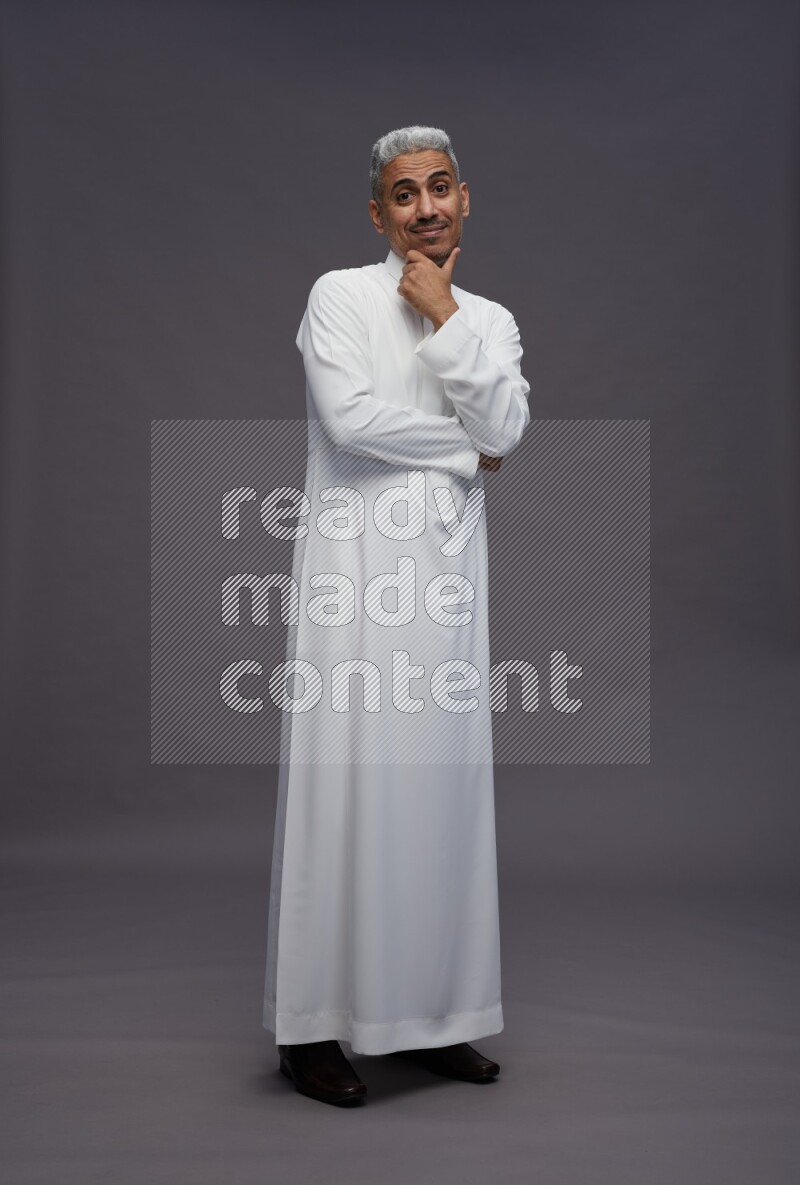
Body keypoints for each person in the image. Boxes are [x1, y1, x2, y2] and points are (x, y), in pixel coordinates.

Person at [262, 125, 531, 1106]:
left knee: (440, 800)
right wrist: (464, 452)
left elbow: (506, 423)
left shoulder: (486, 320)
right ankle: (311, 1030)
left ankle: (431, 1018)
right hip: (352, 582)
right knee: (343, 796)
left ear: (465, 199)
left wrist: (444, 316)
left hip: (445, 591)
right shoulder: (339, 295)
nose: (424, 208)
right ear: (377, 214)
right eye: (403, 194)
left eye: (439, 189)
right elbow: (351, 420)